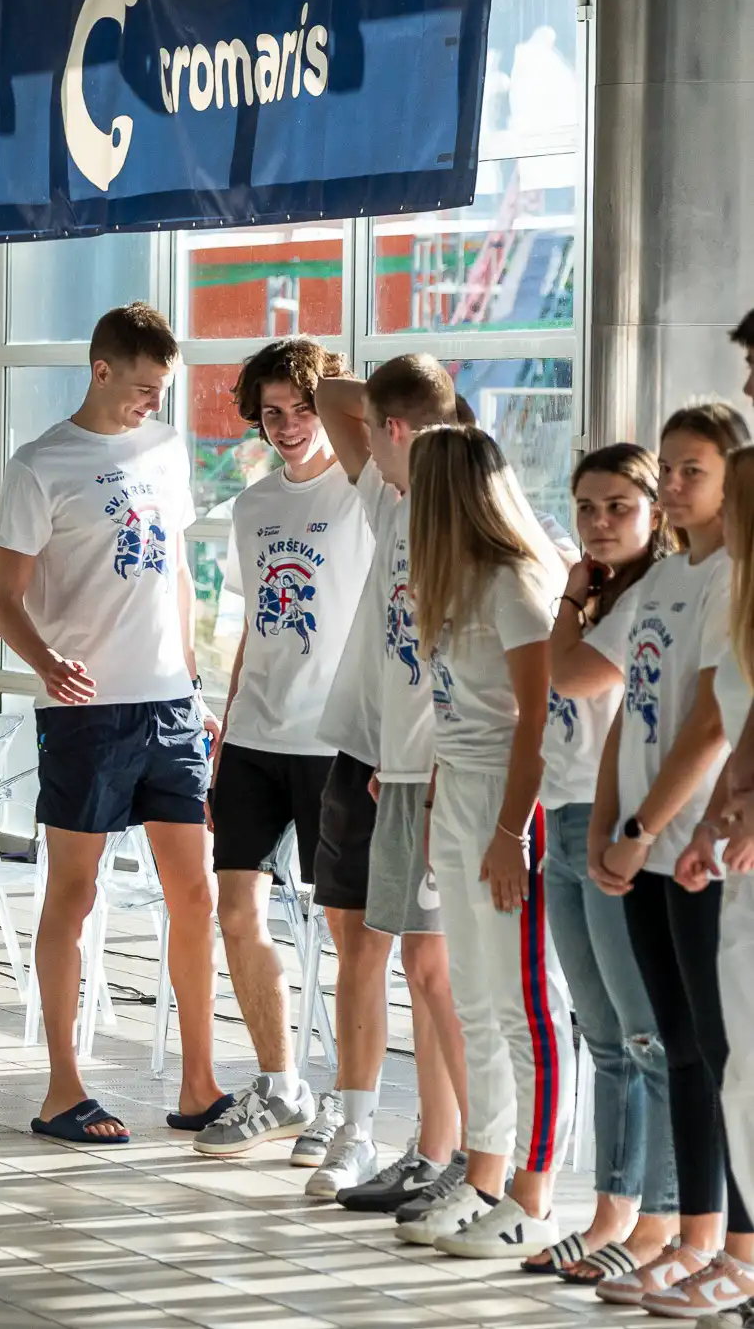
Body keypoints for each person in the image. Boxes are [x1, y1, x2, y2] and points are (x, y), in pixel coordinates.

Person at [0, 302, 219, 1144]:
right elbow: (2, 596)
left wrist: (194, 682)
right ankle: (62, 1087)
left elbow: (184, 573)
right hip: (84, 712)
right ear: (100, 370)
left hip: (168, 705)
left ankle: (199, 1084)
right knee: (75, 894)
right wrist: (46, 663)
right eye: (144, 388)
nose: (152, 403)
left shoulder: (165, 448)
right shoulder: (40, 464)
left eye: (163, 390)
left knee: (193, 892)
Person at [392, 425, 571, 1257]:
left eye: (416, 485)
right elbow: (452, 717)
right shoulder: (452, 581)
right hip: (460, 798)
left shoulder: (514, 583)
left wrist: (508, 831)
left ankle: (532, 1196)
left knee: (521, 1007)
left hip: (510, 804)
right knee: (472, 1001)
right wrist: (438, 811)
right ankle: (486, 1175)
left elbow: (540, 718)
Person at [194, 340, 373, 1163]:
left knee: (349, 934)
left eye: (303, 408)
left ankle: (351, 1103)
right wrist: (226, 733)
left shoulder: (366, 494)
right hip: (257, 736)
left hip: (334, 739)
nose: (290, 425)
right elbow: (252, 631)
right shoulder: (252, 508)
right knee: (236, 912)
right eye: (272, 412)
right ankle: (280, 1085)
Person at [595, 402, 754, 1313]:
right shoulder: (660, 577)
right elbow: (629, 701)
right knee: (682, 1046)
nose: (675, 485)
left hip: (696, 840)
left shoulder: (735, 575)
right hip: (651, 840)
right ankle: (700, 1238)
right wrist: (608, 818)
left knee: (723, 1050)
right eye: (670, 468)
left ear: (733, 476)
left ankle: (738, 1242)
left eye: (692, 469)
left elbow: (707, 721)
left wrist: (646, 826)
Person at [320, 356, 475, 1218]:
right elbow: (341, 399)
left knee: (433, 968)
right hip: (401, 764)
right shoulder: (395, 502)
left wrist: (429, 409)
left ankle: (471, 1156)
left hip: (443, 769)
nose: (365, 447)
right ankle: (437, 1148)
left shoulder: (462, 512)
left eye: (379, 434)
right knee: (422, 967)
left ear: (400, 433)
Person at [534, 443, 678, 1283]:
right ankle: (610, 1211)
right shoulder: (603, 597)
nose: (598, 522)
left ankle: (657, 1219)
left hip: (614, 821)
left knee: (643, 1033)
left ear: (654, 511)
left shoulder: (642, 598)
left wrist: (565, 598)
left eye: (618, 505)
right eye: (586, 506)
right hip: (562, 818)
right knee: (604, 1035)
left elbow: (574, 676)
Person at [689, 444, 754, 1323]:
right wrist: (717, 812)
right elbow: (738, 720)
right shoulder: (739, 594)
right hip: (740, 864)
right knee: (741, 1075)